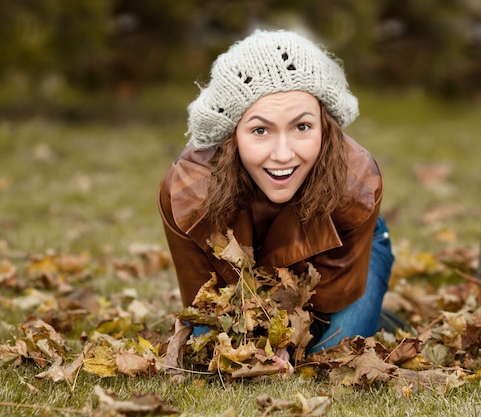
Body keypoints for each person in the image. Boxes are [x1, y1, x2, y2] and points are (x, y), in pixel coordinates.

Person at [158, 29, 395, 354]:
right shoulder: (189, 190)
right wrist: (259, 338)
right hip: (244, 279)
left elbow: (321, 306)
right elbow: (206, 305)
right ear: (232, 136)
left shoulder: (355, 184)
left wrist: (287, 339)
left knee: (329, 353)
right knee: (211, 351)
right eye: (260, 130)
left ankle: (373, 310)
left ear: (325, 126)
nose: (283, 154)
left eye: (302, 127)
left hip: (339, 252)